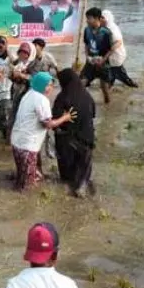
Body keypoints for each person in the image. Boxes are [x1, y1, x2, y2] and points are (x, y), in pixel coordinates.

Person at [10, 72, 76, 191]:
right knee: (27, 186)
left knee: (23, 177)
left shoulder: (29, 94)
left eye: (52, 85)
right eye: (48, 85)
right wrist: (65, 117)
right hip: (27, 146)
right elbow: (48, 124)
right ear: (40, 85)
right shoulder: (41, 99)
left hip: (17, 142)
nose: (51, 88)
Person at [53, 68, 96, 197]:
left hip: (67, 141)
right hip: (86, 139)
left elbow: (55, 118)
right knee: (84, 167)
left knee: (67, 175)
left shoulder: (62, 97)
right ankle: (82, 185)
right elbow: (93, 114)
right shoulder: (88, 96)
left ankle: (67, 181)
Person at [80, 8, 115, 104]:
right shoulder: (87, 30)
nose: (87, 21)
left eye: (89, 18)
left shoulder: (106, 32)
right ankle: (82, 105)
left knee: (104, 89)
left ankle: (108, 108)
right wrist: (87, 56)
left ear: (97, 19)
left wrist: (103, 60)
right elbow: (87, 45)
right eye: (86, 18)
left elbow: (111, 49)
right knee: (80, 84)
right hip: (90, 62)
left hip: (103, 64)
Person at [101, 9, 139, 88]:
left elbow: (119, 42)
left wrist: (108, 53)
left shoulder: (112, 29)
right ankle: (110, 89)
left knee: (121, 76)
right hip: (111, 57)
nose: (100, 19)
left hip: (116, 56)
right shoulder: (105, 27)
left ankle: (135, 87)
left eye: (102, 17)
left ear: (107, 19)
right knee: (111, 75)